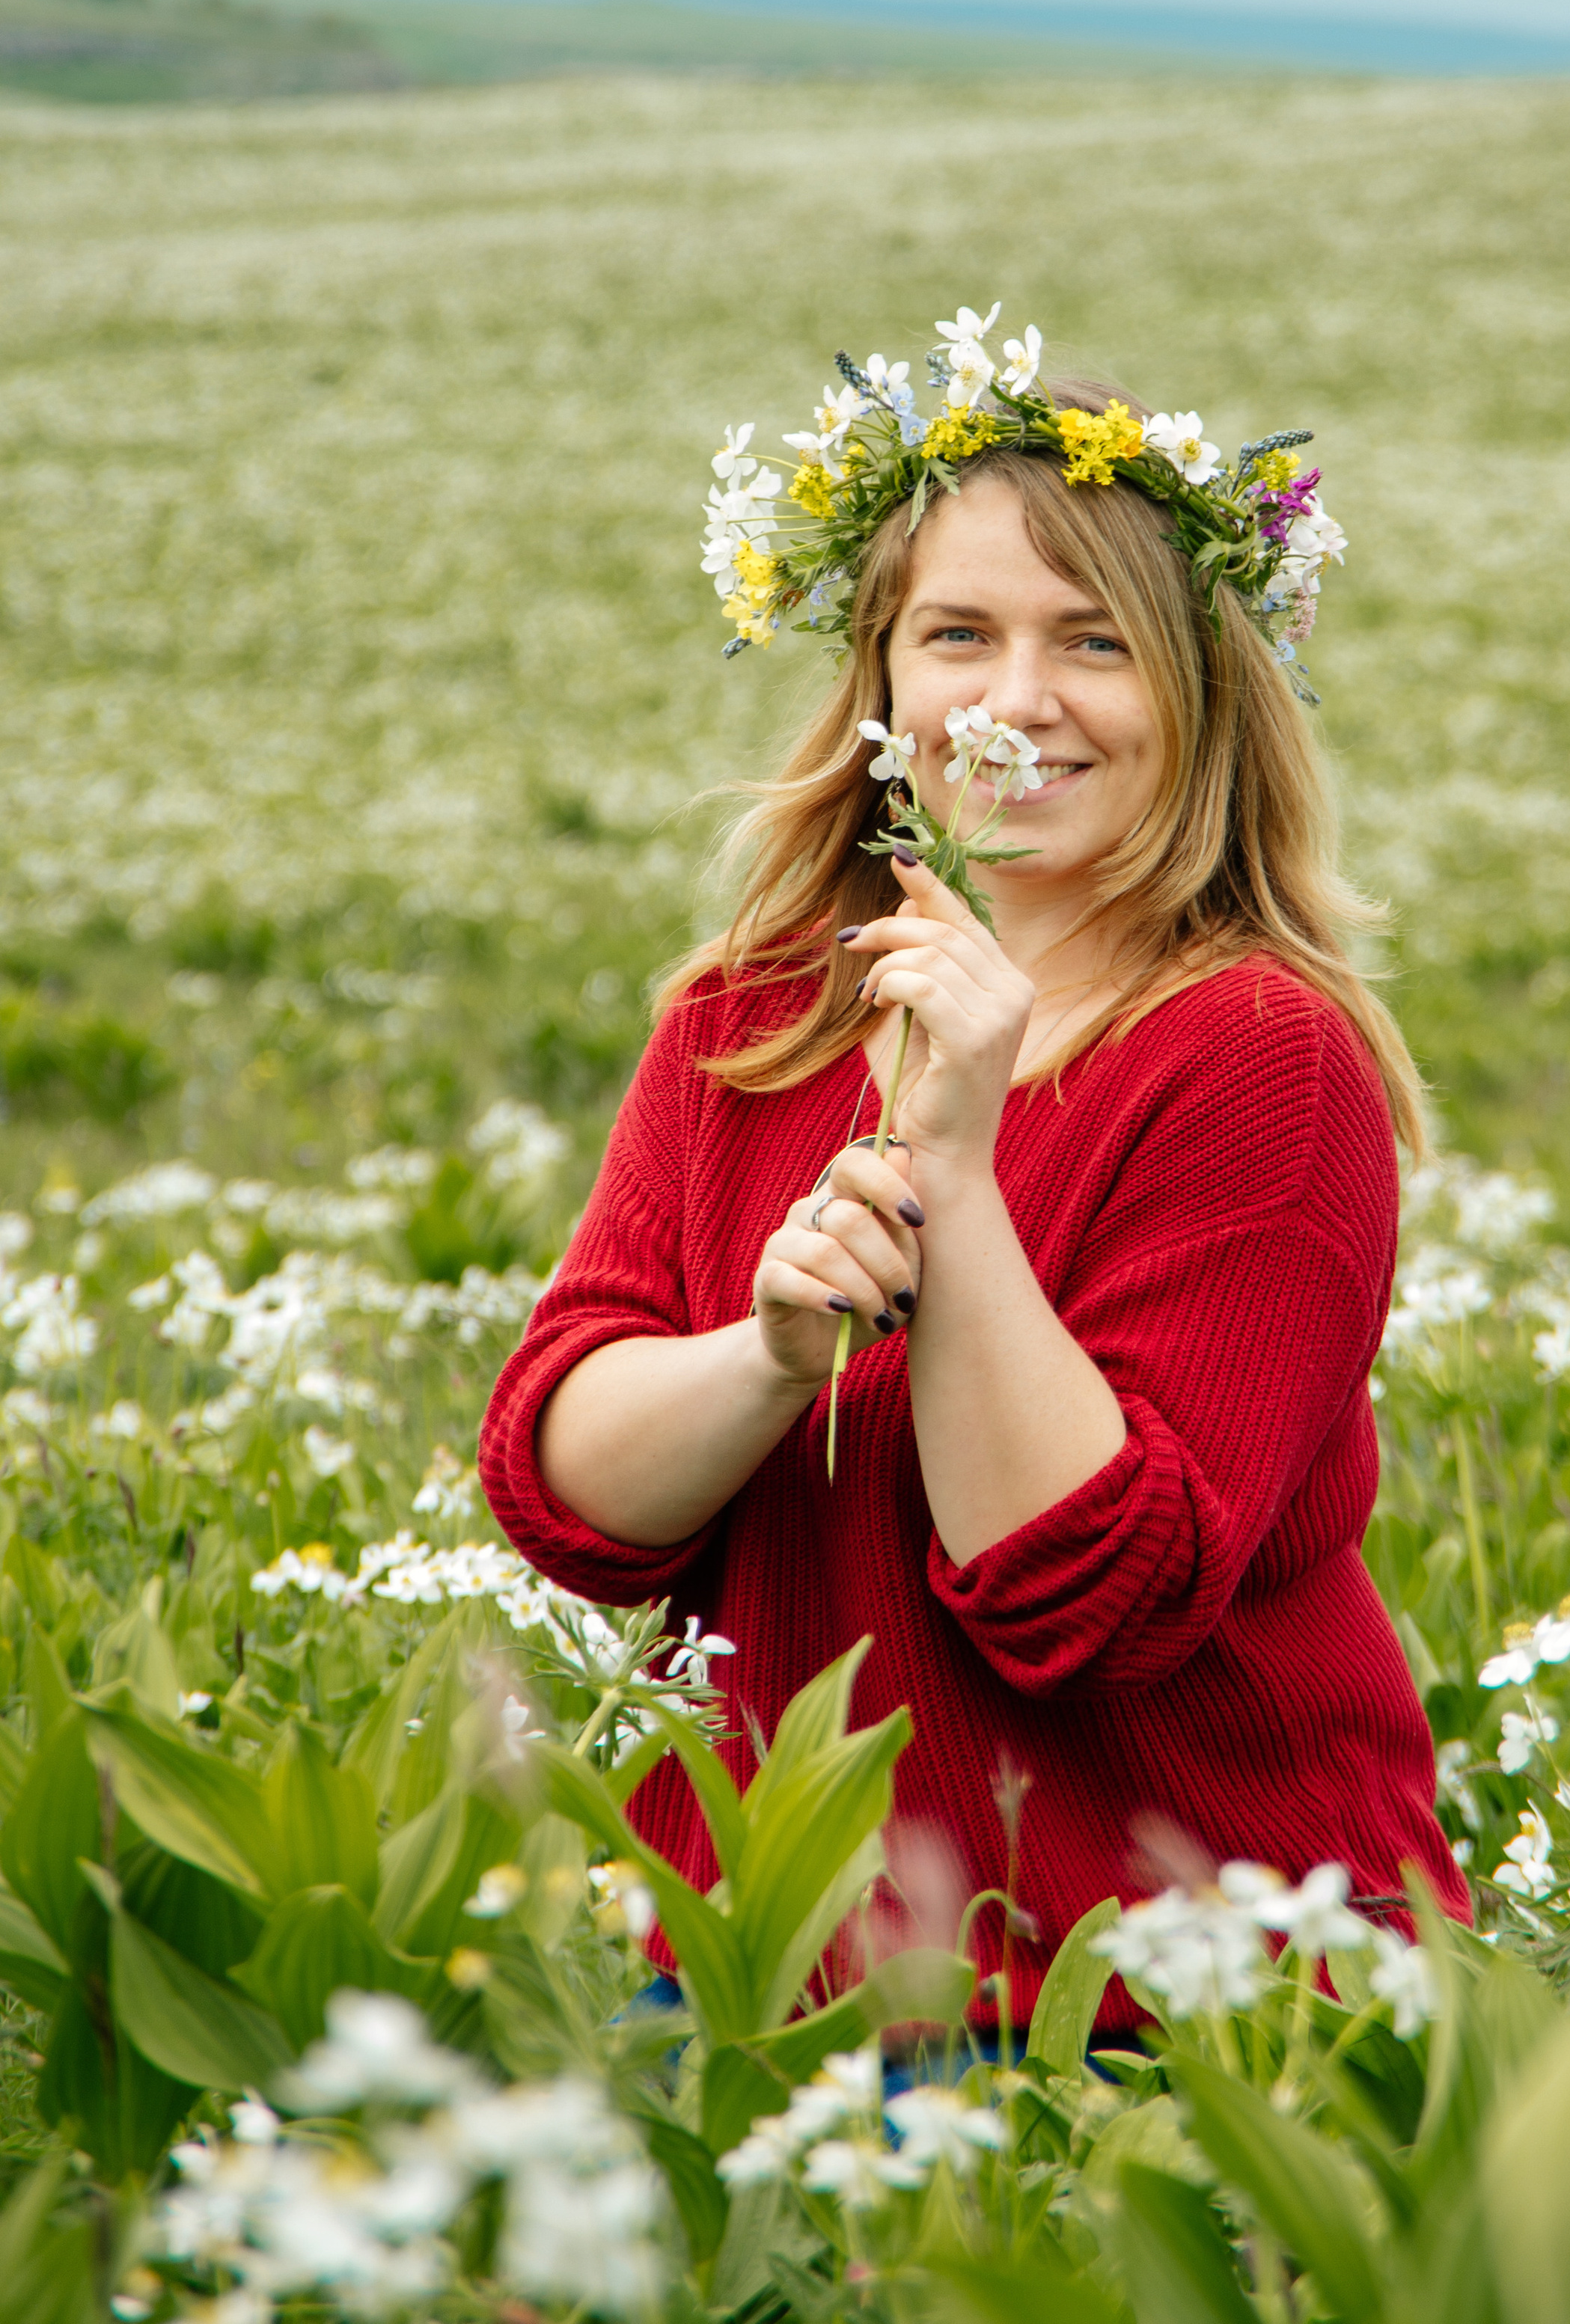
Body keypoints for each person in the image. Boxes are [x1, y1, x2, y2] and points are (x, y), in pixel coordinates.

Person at [479, 314, 1470, 2038]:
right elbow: (566, 1495)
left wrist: (956, 1165)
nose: (1017, 703)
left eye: (1094, 642)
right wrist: (772, 1353)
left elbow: (1086, 1596)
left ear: (1199, 690)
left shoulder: (1254, 1054)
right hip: (739, 1966)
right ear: (880, 681)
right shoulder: (753, 1017)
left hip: (1157, 2007)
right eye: (959, 636)